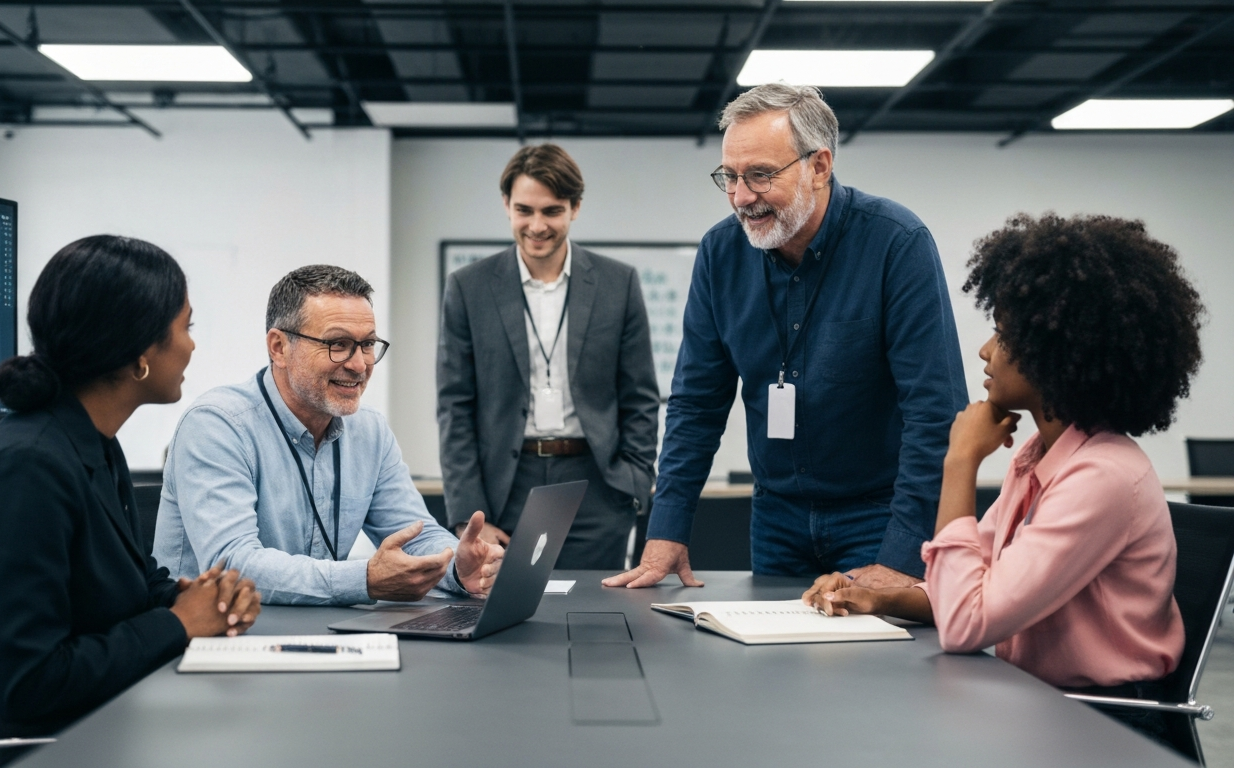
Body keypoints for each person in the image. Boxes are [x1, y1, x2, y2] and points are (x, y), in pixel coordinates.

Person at [803, 213, 1202, 746]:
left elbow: (968, 623)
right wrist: (874, 597)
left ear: (1056, 351)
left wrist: (960, 460)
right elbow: (974, 586)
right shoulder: (1043, 455)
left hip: (1105, 726)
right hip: (1040, 701)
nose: (985, 351)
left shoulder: (1103, 478)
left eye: (1003, 334)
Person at [605, 83, 966, 591]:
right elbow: (696, 404)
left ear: (819, 166)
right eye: (728, 177)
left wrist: (902, 556)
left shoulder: (896, 244)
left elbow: (935, 412)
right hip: (775, 517)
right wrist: (667, 529)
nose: (740, 197)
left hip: (879, 515)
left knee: (879, 666)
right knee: (775, 667)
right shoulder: (720, 253)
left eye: (759, 175)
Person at [0, 236, 261, 756]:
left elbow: (120, 586)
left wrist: (196, 597)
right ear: (139, 355)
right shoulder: (27, 469)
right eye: (186, 327)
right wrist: (179, 622)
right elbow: (30, 684)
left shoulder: (92, 442)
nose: (193, 345)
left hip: (103, 715)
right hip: (44, 744)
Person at [154, 265, 503, 605]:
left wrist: (458, 566)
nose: (359, 364)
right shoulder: (217, 425)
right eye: (338, 344)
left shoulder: (369, 430)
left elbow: (417, 534)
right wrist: (364, 580)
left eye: (367, 344)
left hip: (317, 631)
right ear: (278, 347)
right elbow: (232, 563)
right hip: (215, 639)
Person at [437, 144, 659, 569]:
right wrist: (469, 514)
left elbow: (640, 397)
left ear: (575, 208)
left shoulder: (618, 284)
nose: (537, 225)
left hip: (596, 486)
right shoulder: (469, 288)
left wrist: (633, 481)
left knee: (593, 616)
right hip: (505, 488)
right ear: (506, 205)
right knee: (505, 621)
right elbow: (454, 406)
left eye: (552, 211)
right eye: (524, 210)